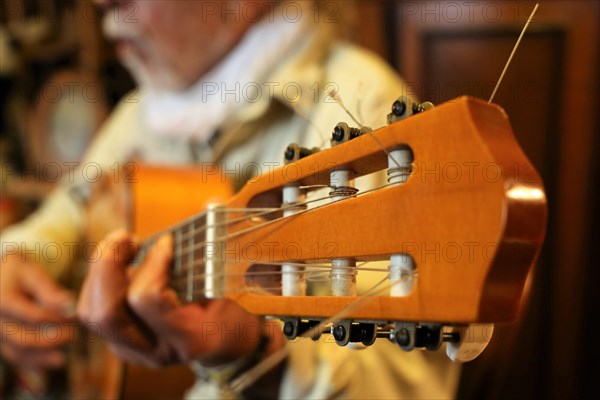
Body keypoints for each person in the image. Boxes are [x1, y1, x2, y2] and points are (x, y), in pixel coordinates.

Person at [1, 1, 460, 398]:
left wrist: (258, 356)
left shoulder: (358, 109)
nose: (103, 2)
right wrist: (20, 256)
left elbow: (403, 385)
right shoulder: (146, 108)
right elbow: (70, 208)